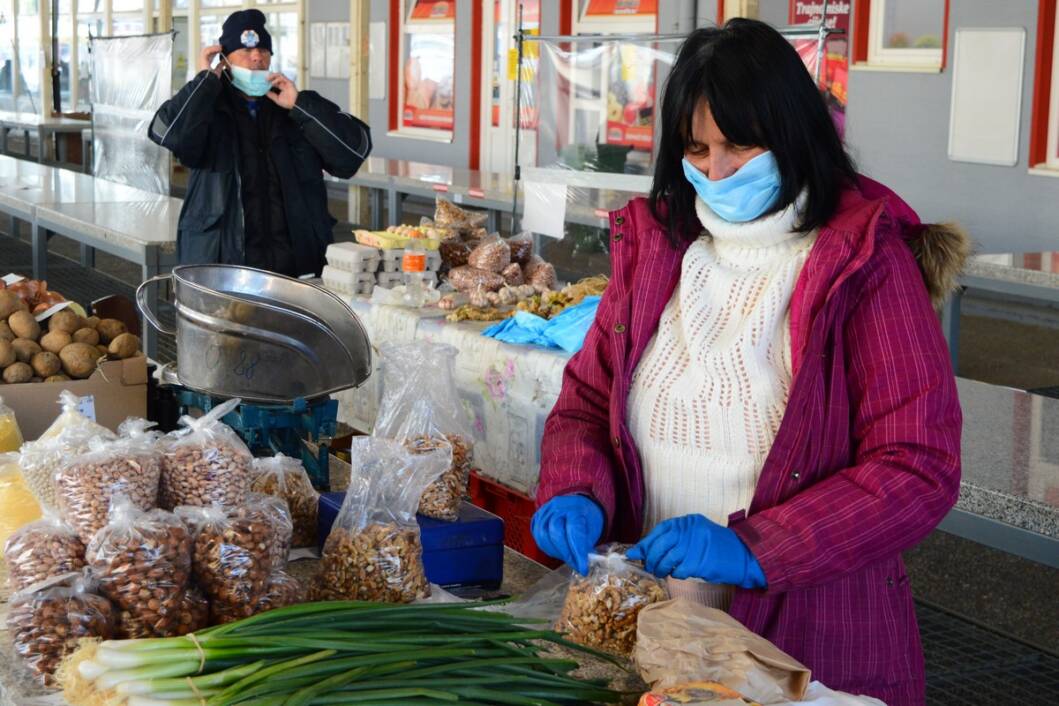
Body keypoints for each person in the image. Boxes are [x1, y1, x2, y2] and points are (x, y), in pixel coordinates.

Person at [531, 19, 969, 705]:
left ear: (793, 133)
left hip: (804, 631)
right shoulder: (657, 251)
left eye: (739, 145)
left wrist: (756, 549)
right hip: (649, 624)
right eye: (695, 147)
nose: (715, 170)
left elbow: (916, 466)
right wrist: (574, 487)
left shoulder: (862, 264)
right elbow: (587, 401)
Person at [149, 9, 371, 276]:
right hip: (224, 266)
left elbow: (352, 154)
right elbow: (168, 133)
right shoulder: (206, 109)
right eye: (245, 51)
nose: (257, 57)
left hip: (298, 267)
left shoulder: (295, 108)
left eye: (264, 50)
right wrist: (205, 82)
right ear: (224, 60)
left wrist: (300, 106)